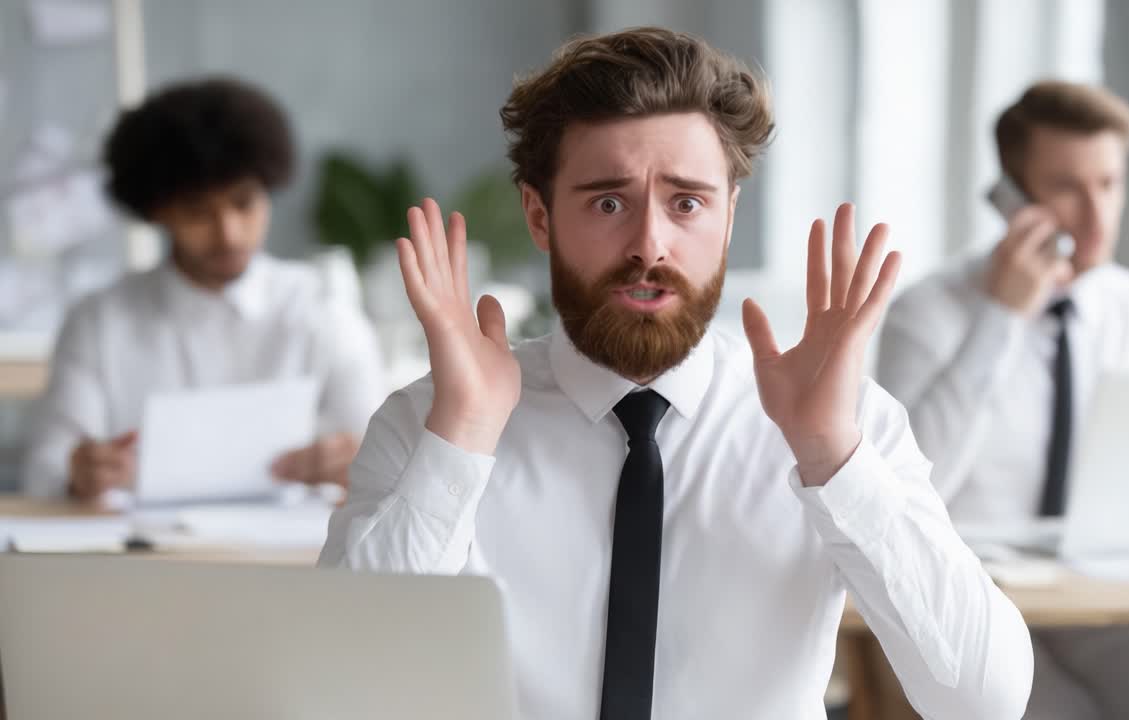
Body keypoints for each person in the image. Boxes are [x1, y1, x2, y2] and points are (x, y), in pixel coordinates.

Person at [320, 28, 1031, 720]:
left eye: (687, 202)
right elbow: (338, 688)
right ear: (539, 217)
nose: (649, 245)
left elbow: (984, 702)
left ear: (728, 217)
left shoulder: (845, 424)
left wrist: (832, 456)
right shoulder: (428, 423)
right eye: (608, 202)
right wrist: (463, 436)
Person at [878, 80, 1129, 719]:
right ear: (1013, 197)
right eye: (1067, 187)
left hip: (1102, 606)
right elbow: (905, 488)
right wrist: (1000, 320)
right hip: (969, 608)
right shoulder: (927, 314)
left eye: (1109, 184)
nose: (1096, 217)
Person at [22, 77, 384, 502]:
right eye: (198, 212)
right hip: (142, 561)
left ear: (269, 192)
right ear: (157, 212)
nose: (228, 233)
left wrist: (358, 464)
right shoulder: (99, 321)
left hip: (295, 560)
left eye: (244, 203)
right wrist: (78, 473)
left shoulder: (322, 309)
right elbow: (45, 469)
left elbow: (378, 456)